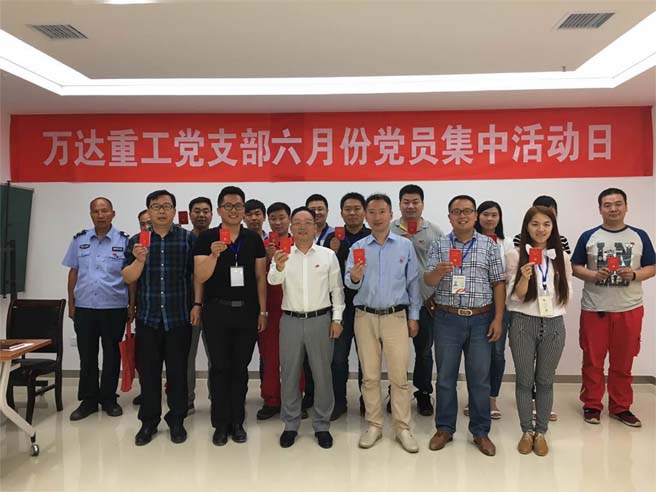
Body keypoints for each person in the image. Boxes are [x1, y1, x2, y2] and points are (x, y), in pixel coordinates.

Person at [424, 195, 505, 457]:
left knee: (479, 379)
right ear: (449, 217)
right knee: (445, 378)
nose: (462, 216)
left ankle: (480, 432)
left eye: (467, 211)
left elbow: (498, 282)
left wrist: (498, 318)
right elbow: (428, 280)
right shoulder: (439, 244)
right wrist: (438, 272)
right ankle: (444, 429)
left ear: (475, 215)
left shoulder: (488, 245)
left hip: (481, 319)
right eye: (457, 211)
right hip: (447, 319)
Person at [572, 188, 655, 427]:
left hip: (629, 309)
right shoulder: (589, 236)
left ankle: (621, 407)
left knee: (624, 361)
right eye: (607, 205)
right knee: (592, 361)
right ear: (600, 209)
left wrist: (635, 274)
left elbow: (652, 267)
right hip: (595, 309)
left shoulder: (640, 236)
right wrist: (593, 275)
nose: (613, 209)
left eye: (618, 204)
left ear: (626, 207)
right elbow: (575, 266)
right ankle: (592, 405)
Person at [345, 193, 421, 453]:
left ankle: (402, 427)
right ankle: (374, 425)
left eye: (382, 212)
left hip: (395, 317)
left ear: (391, 215)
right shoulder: (358, 247)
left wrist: (414, 317)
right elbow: (348, 282)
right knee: (369, 376)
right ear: (366, 216)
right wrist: (355, 278)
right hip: (364, 317)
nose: (377, 217)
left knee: (399, 376)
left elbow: (413, 283)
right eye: (372, 212)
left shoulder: (404, 246)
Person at [193, 186, 267, 445]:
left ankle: (237, 421)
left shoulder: (253, 239)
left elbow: (260, 277)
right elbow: (200, 276)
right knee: (219, 368)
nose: (234, 211)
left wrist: (263, 311)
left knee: (239, 368)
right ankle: (220, 423)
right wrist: (214, 255)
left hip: (246, 311)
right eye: (228, 206)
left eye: (238, 206)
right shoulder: (207, 238)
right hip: (216, 310)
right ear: (219, 210)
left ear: (243, 210)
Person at [122, 190, 196, 446]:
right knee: (149, 375)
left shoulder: (187, 239)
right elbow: (128, 277)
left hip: (178, 318)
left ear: (174, 210)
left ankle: (176, 420)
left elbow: (196, 276)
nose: (162, 211)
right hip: (148, 318)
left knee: (177, 374)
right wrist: (139, 260)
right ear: (148, 211)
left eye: (166, 206)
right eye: (156, 206)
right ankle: (149, 422)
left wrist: (196, 306)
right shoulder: (136, 241)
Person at [269, 207, 345, 449]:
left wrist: (337, 319)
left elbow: (337, 290)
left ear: (315, 226)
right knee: (289, 374)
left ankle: (322, 425)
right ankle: (290, 424)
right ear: (291, 227)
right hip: (290, 321)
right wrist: (278, 266)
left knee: (322, 375)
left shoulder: (327, 255)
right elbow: (273, 280)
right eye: (297, 222)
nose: (302, 227)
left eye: (307, 222)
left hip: (320, 321)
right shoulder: (282, 254)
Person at [506, 206, 571, 456]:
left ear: (553, 227)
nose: (540, 229)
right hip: (523, 323)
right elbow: (516, 297)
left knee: (545, 380)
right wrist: (524, 277)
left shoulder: (562, 257)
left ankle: (541, 431)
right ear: (526, 227)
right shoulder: (515, 255)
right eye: (535, 224)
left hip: (554, 323)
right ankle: (526, 431)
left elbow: (566, 295)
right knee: (524, 380)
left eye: (546, 224)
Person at [62, 197, 129, 421]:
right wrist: (71, 303)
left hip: (114, 307)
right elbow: (73, 272)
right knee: (87, 354)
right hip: (85, 307)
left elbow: (131, 277)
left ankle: (109, 398)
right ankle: (89, 400)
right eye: (96, 211)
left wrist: (132, 305)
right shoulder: (79, 240)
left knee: (112, 354)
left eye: (104, 211)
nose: (100, 215)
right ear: (91, 214)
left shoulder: (124, 241)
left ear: (113, 213)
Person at [390, 184, 443, 416]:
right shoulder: (389, 229)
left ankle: (423, 393)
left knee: (423, 352)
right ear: (399, 204)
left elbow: (441, 267)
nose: (410, 206)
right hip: (395, 302)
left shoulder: (434, 231)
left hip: (424, 302)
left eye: (415, 202)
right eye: (406, 202)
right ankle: (395, 393)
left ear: (422, 204)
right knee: (394, 353)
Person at [324, 192, 370, 420]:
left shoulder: (372, 237)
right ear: (341, 213)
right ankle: (338, 402)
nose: (352, 213)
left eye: (356, 209)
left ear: (364, 212)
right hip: (340, 307)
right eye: (347, 209)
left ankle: (366, 401)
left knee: (366, 358)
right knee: (338, 359)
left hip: (366, 306)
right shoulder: (333, 238)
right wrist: (333, 251)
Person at [473, 200, 514, 419]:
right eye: (485, 214)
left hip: (501, 306)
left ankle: (491, 398)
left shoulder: (506, 243)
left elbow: (511, 272)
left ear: (499, 218)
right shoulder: (470, 241)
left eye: (494, 215)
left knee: (497, 354)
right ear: (477, 216)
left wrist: (495, 277)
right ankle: (475, 398)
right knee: (476, 355)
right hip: (476, 306)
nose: (490, 219)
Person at [256, 202, 295, 420]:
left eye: (282, 217)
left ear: (289, 219)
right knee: (270, 358)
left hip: (294, 308)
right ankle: (271, 400)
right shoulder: (261, 246)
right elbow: (257, 278)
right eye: (273, 218)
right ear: (267, 221)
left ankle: (294, 399)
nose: (278, 222)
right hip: (270, 309)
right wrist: (268, 258)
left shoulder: (300, 244)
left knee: (295, 359)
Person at [186, 196, 213, 414]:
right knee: (187, 356)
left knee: (217, 357)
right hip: (187, 307)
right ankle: (187, 399)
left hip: (214, 306)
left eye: (205, 211)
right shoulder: (183, 240)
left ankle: (218, 398)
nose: (201, 215)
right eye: (197, 211)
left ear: (212, 214)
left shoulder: (219, 239)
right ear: (190, 214)